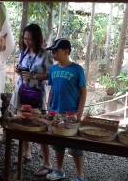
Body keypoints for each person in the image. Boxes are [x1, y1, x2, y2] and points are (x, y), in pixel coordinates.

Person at [8, 23, 53, 175]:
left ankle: (47, 163)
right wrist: (18, 70)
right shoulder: (24, 52)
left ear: (38, 39)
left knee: (40, 126)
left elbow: (50, 75)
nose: (27, 42)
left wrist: (33, 75)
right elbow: (23, 70)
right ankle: (26, 152)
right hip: (22, 92)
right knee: (24, 122)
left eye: (30, 39)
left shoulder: (45, 55)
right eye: (25, 38)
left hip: (36, 94)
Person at [45, 38, 87, 181]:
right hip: (55, 112)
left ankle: (80, 175)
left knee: (75, 146)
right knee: (57, 143)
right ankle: (59, 170)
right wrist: (48, 106)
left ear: (66, 52)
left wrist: (78, 114)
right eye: (52, 51)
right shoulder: (53, 69)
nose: (53, 53)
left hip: (71, 114)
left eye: (55, 51)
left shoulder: (77, 69)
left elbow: (83, 92)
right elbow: (51, 89)